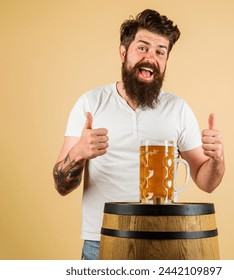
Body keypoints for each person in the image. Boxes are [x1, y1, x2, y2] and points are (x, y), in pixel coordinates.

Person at [53, 9, 225, 260]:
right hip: (101, 241)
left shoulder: (177, 108)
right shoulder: (90, 103)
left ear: (165, 61)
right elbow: (61, 185)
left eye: (160, 52)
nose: (150, 57)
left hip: (165, 238)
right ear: (123, 53)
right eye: (142, 48)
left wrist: (217, 158)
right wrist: (79, 153)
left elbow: (206, 182)